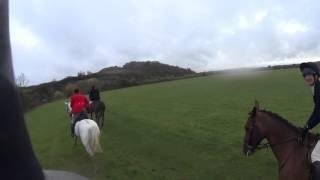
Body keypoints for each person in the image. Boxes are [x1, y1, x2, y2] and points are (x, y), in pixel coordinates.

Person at [300, 62, 320, 179]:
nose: (307, 77)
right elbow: (317, 110)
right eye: (304, 75)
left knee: (315, 155)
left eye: (309, 74)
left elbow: (319, 114)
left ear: (316, 75)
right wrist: (307, 126)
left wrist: (307, 127)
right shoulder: (316, 87)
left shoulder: (318, 88)